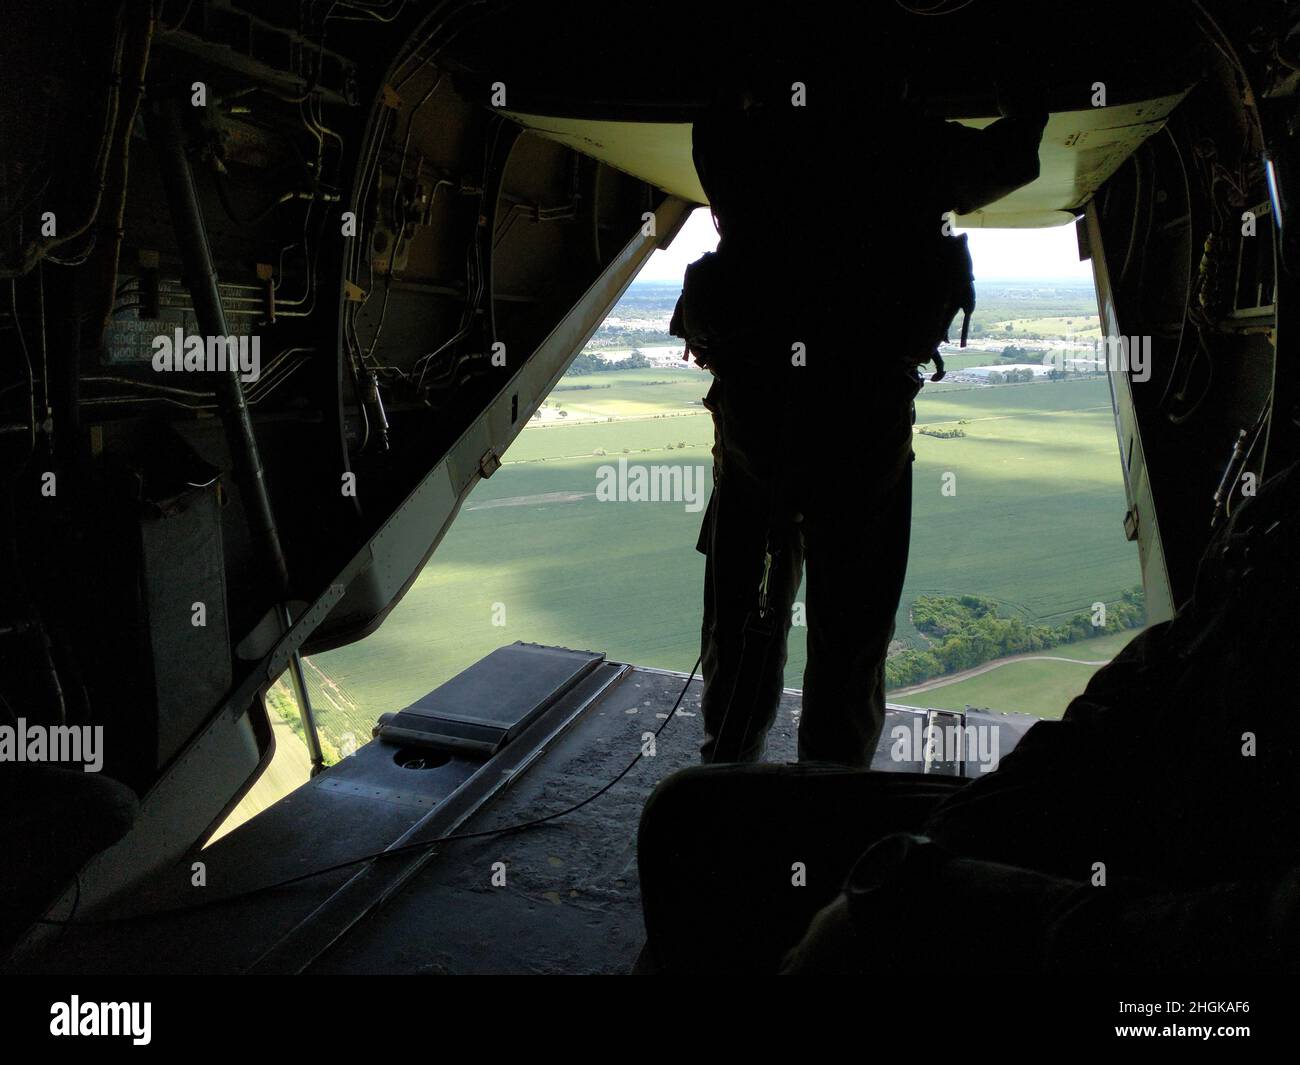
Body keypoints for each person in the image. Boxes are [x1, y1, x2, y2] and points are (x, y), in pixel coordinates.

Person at [672, 67, 1047, 766]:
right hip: (861, 427)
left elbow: (711, 127)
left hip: (758, 423)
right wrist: (1018, 78)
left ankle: (726, 783)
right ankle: (830, 809)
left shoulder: (754, 141)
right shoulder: (911, 147)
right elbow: (1012, 157)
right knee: (849, 641)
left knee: (743, 623)